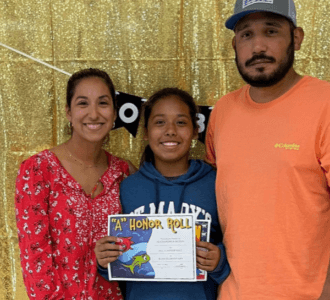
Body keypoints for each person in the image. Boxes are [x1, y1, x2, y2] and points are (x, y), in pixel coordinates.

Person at [205, 1, 330, 299]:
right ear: (234, 44)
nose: (258, 46)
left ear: (296, 38)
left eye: (271, 31)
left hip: (309, 293)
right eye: (246, 34)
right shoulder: (223, 111)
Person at [94, 88, 230, 300]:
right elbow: (118, 266)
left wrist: (219, 261)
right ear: (146, 132)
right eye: (159, 122)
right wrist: (105, 261)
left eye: (181, 122)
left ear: (196, 130)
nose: (170, 130)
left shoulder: (215, 183)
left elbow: (238, 247)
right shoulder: (128, 187)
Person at [15, 68, 136, 299]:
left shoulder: (124, 173)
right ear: (69, 113)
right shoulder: (38, 170)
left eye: (103, 103)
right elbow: (35, 260)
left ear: (114, 112)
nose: (93, 114)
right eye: (83, 103)